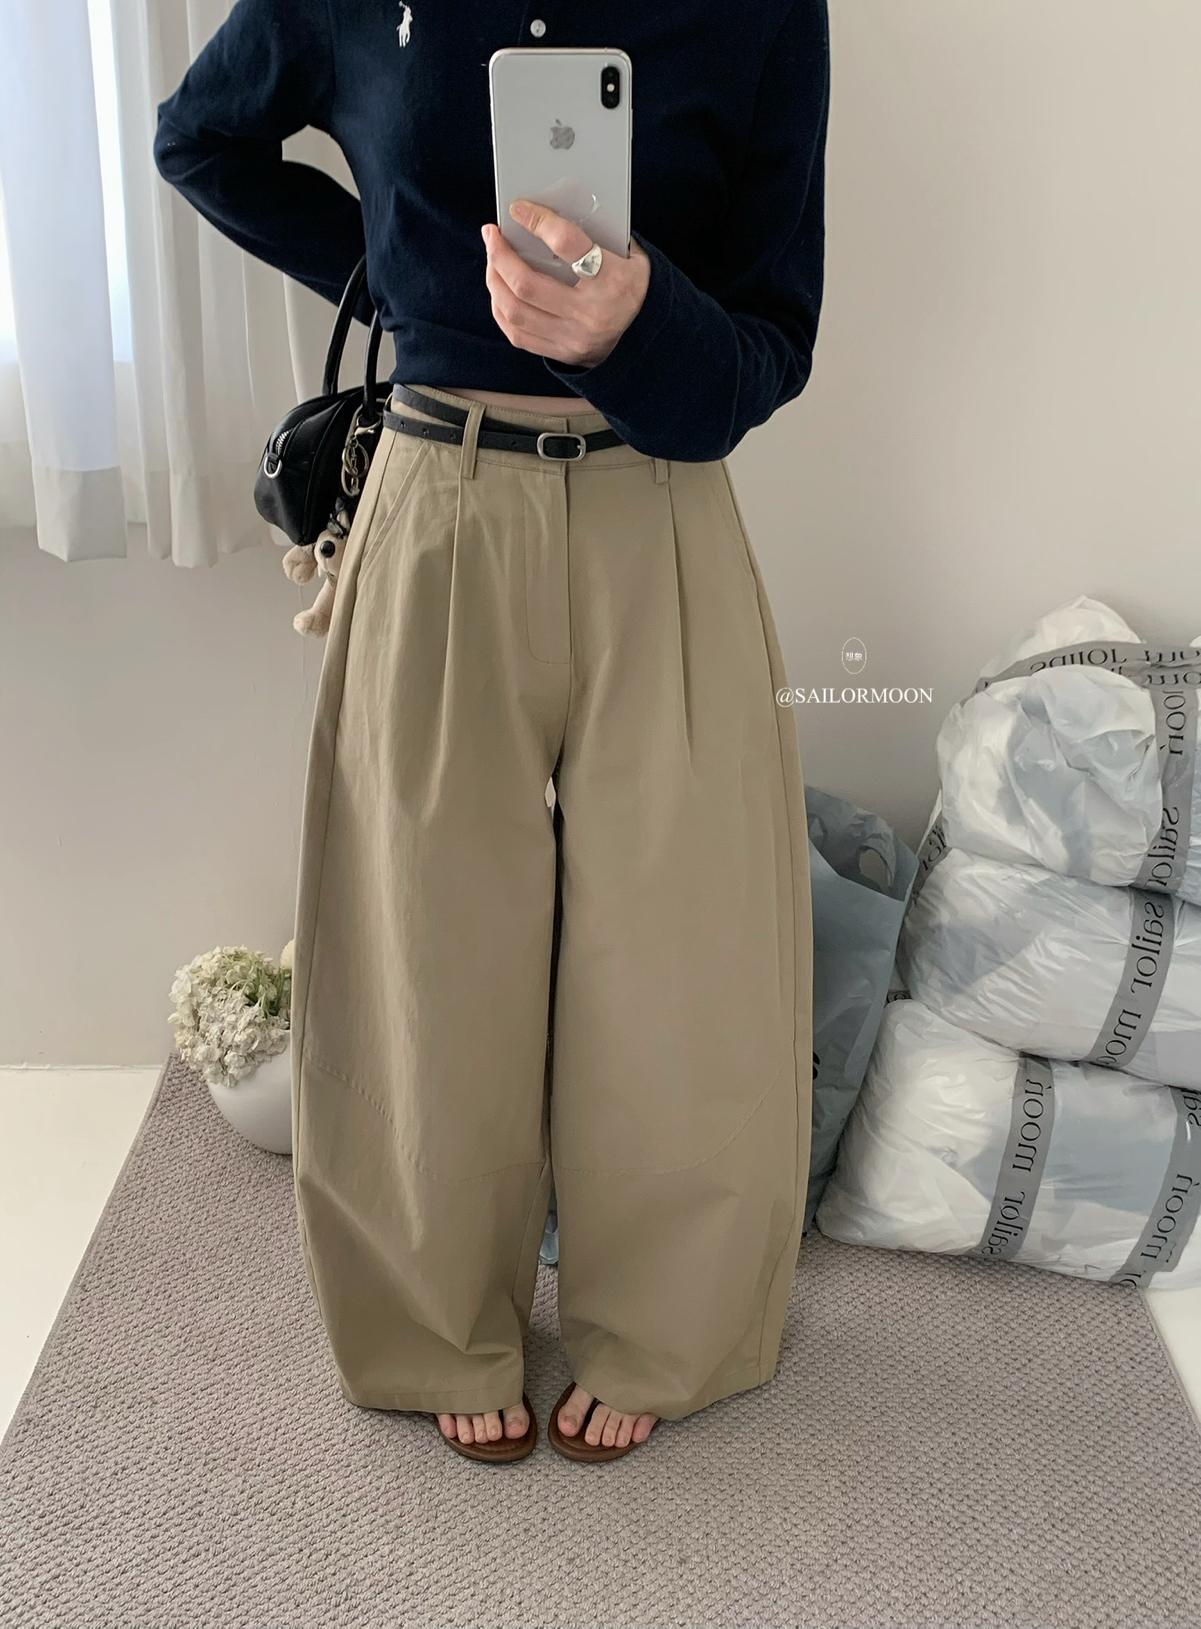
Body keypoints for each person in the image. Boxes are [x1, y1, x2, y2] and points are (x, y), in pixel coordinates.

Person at [154, 0, 829, 1465]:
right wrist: (411, 279)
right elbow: (199, 139)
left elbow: (773, 341)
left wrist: (636, 326)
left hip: (658, 502)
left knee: (685, 948)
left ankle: (668, 1322)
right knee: (422, 935)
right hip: (435, 498)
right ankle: (431, 1322)